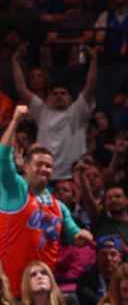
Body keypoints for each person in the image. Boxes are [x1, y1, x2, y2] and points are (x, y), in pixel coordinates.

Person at [0, 106, 92, 298]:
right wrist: (16, 120)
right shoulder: (16, 189)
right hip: (10, 294)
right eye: (39, 164)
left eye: (49, 166)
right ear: (26, 167)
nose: (45, 169)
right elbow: (2, 159)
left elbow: (73, 233)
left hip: (43, 295)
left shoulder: (58, 206)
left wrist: (81, 236)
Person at [12, 43, 98, 180]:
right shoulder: (42, 111)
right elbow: (22, 89)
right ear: (49, 97)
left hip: (72, 176)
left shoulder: (78, 111)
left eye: (63, 93)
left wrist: (93, 61)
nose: (59, 96)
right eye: (55, 93)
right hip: (44, 175)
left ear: (70, 98)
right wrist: (15, 61)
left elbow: (90, 87)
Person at [76, 236, 123, 305]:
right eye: (104, 254)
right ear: (96, 256)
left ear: (120, 257)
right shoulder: (87, 277)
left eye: (113, 254)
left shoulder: (127, 276)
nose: (108, 258)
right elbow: (87, 297)